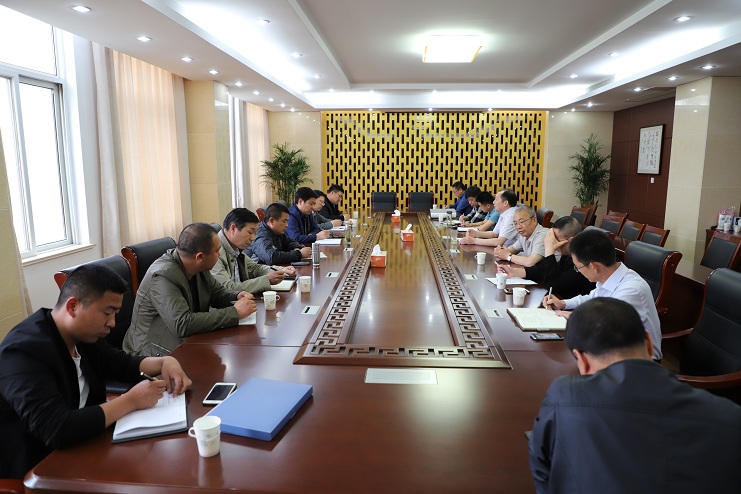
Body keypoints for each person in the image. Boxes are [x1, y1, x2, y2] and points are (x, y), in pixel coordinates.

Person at [529, 297, 741, 494]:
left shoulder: (564, 394)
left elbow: (542, 466)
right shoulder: (731, 416)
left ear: (581, 360)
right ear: (649, 343)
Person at [0, 264, 192, 479]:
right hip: (38, 467)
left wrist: (166, 362)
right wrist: (131, 401)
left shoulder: (82, 335)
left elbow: (120, 363)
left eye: (116, 314)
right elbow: (56, 429)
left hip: (85, 445)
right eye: (107, 313)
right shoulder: (22, 353)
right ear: (73, 306)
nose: (112, 323)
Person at [123, 223, 256, 356]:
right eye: (217, 251)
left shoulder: (197, 265)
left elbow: (216, 293)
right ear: (200, 257)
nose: (219, 255)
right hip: (150, 351)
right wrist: (234, 313)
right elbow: (182, 324)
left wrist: (236, 296)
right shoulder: (163, 275)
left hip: (187, 340)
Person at [542, 228, 662, 360]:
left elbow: (606, 328)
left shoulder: (631, 290)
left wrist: (574, 316)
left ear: (594, 266)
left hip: (641, 360)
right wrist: (563, 303)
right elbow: (592, 298)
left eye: (578, 267)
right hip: (613, 347)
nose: (578, 271)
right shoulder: (610, 275)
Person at [498, 216, 594, 299]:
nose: (553, 243)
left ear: (571, 241)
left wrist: (549, 250)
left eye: (556, 240)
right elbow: (548, 271)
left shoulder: (584, 261)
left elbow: (553, 286)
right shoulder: (569, 254)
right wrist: (514, 272)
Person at [211, 208, 296, 294]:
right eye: (250, 232)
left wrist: (281, 270)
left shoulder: (235, 247)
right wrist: (266, 280)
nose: (253, 238)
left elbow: (254, 268)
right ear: (233, 228)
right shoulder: (214, 252)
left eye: (255, 233)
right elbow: (226, 289)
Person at [247, 202, 312, 265]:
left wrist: (297, 248)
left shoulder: (277, 231)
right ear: (272, 221)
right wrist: (299, 254)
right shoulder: (261, 234)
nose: (287, 225)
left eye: (287, 221)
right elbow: (271, 257)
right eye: (284, 221)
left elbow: (289, 242)